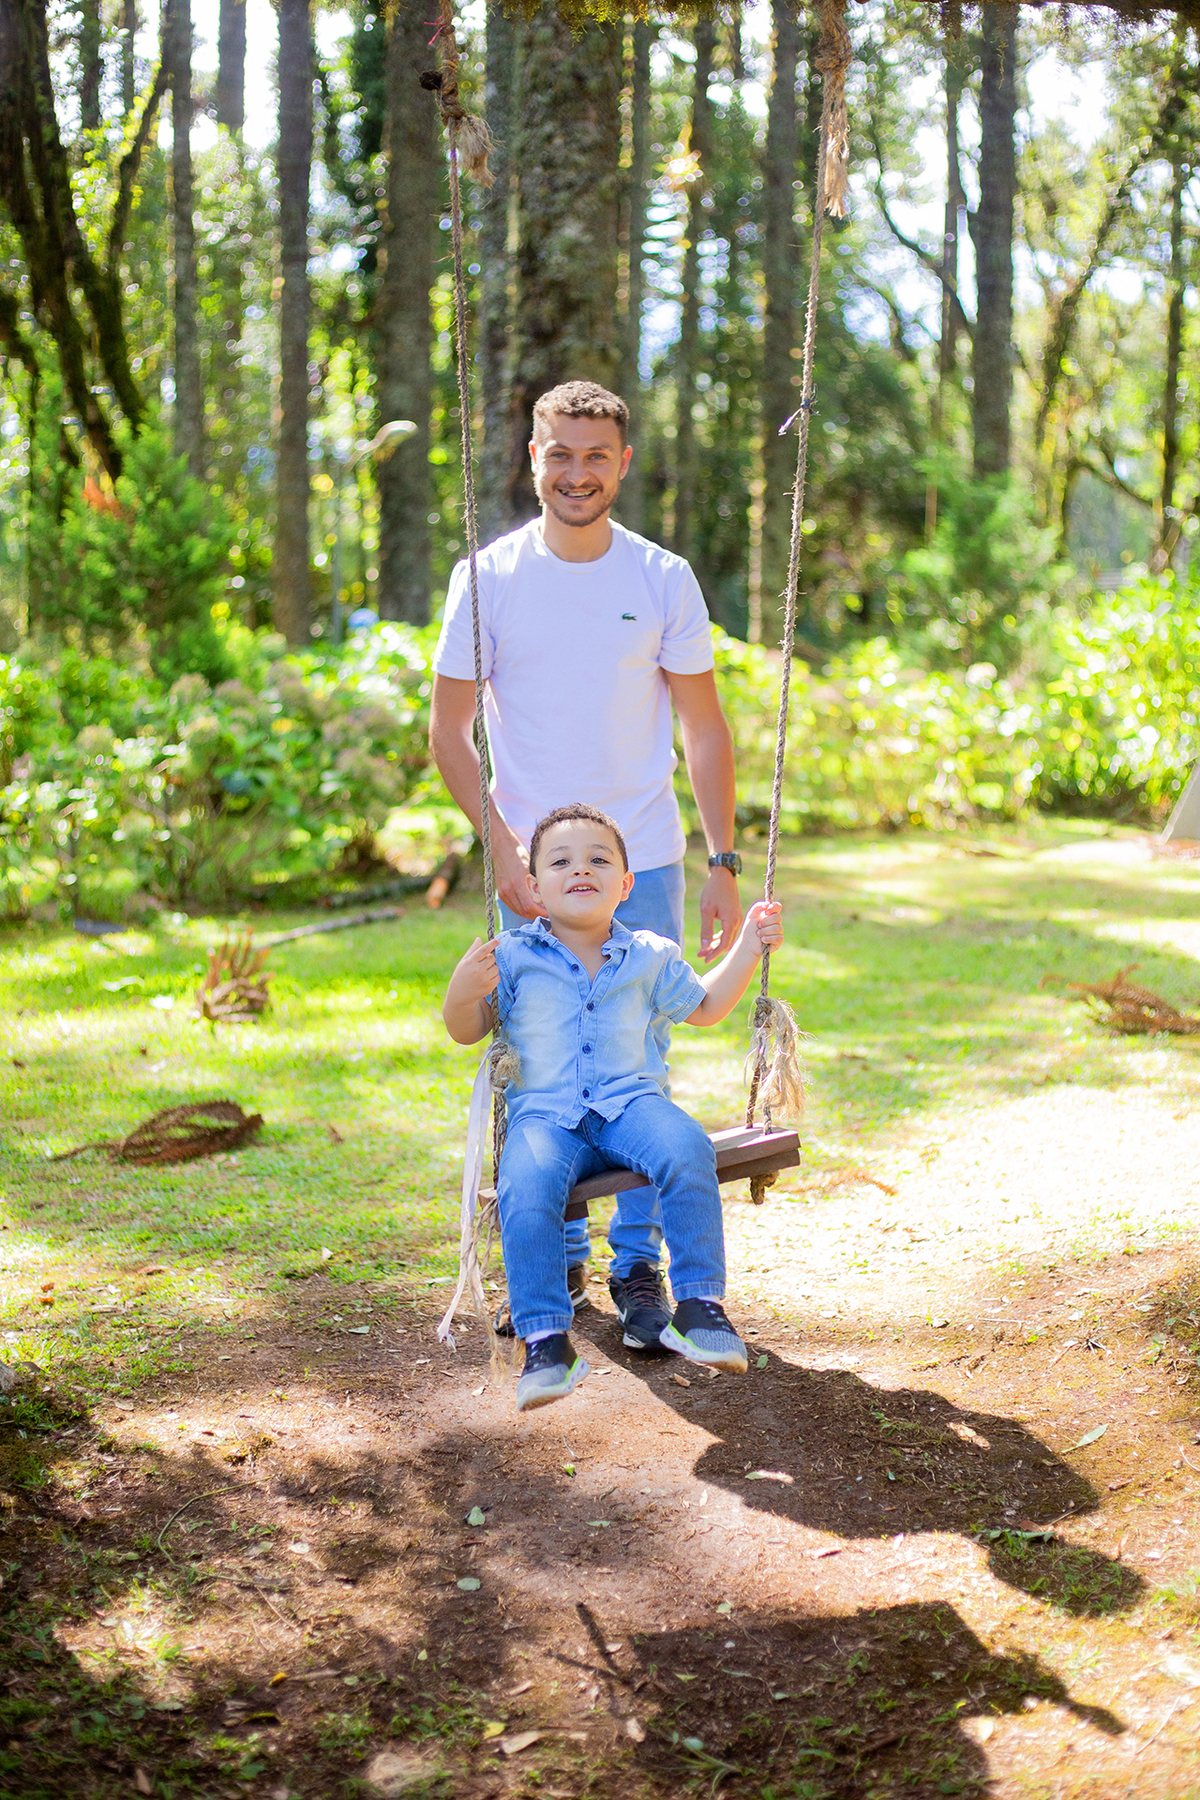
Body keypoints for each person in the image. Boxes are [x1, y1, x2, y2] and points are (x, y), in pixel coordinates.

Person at [430, 379, 744, 1350]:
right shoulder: (487, 578)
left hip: (642, 857)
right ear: (532, 457)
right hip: (530, 866)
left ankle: (641, 1266)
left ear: (623, 464)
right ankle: (556, 1252)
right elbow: (449, 732)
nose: (576, 473)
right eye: (558, 454)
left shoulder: (660, 578)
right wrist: (501, 851)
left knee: (638, 1061)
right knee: (537, 1063)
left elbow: (702, 726)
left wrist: (721, 860)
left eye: (594, 456)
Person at [442, 804, 784, 1411]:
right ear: (534, 888)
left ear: (626, 885)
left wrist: (751, 947)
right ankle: (546, 1340)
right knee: (527, 1183)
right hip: (545, 1118)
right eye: (561, 861)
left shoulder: (650, 954)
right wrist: (462, 991)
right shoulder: (513, 957)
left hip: (631, 1106)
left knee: (686, 1147)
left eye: (600, 860)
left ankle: (701, 1307)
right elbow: (467, 1029)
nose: (582, 869)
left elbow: (704, 1006)